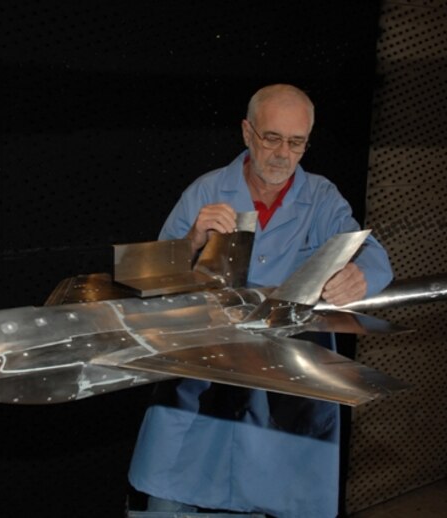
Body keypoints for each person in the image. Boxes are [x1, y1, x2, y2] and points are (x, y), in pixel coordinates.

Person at [126, 84, 393, 518]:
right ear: (247, 133)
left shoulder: (322, 197)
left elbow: (370, 251)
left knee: (277, 495)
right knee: (169, 497)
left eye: (296, 142)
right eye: (272, 138)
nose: (283, 154)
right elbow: (146, 279)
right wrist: (192, 240)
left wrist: (360, 275)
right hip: (203, 376)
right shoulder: (206, 190)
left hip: (287, 384)